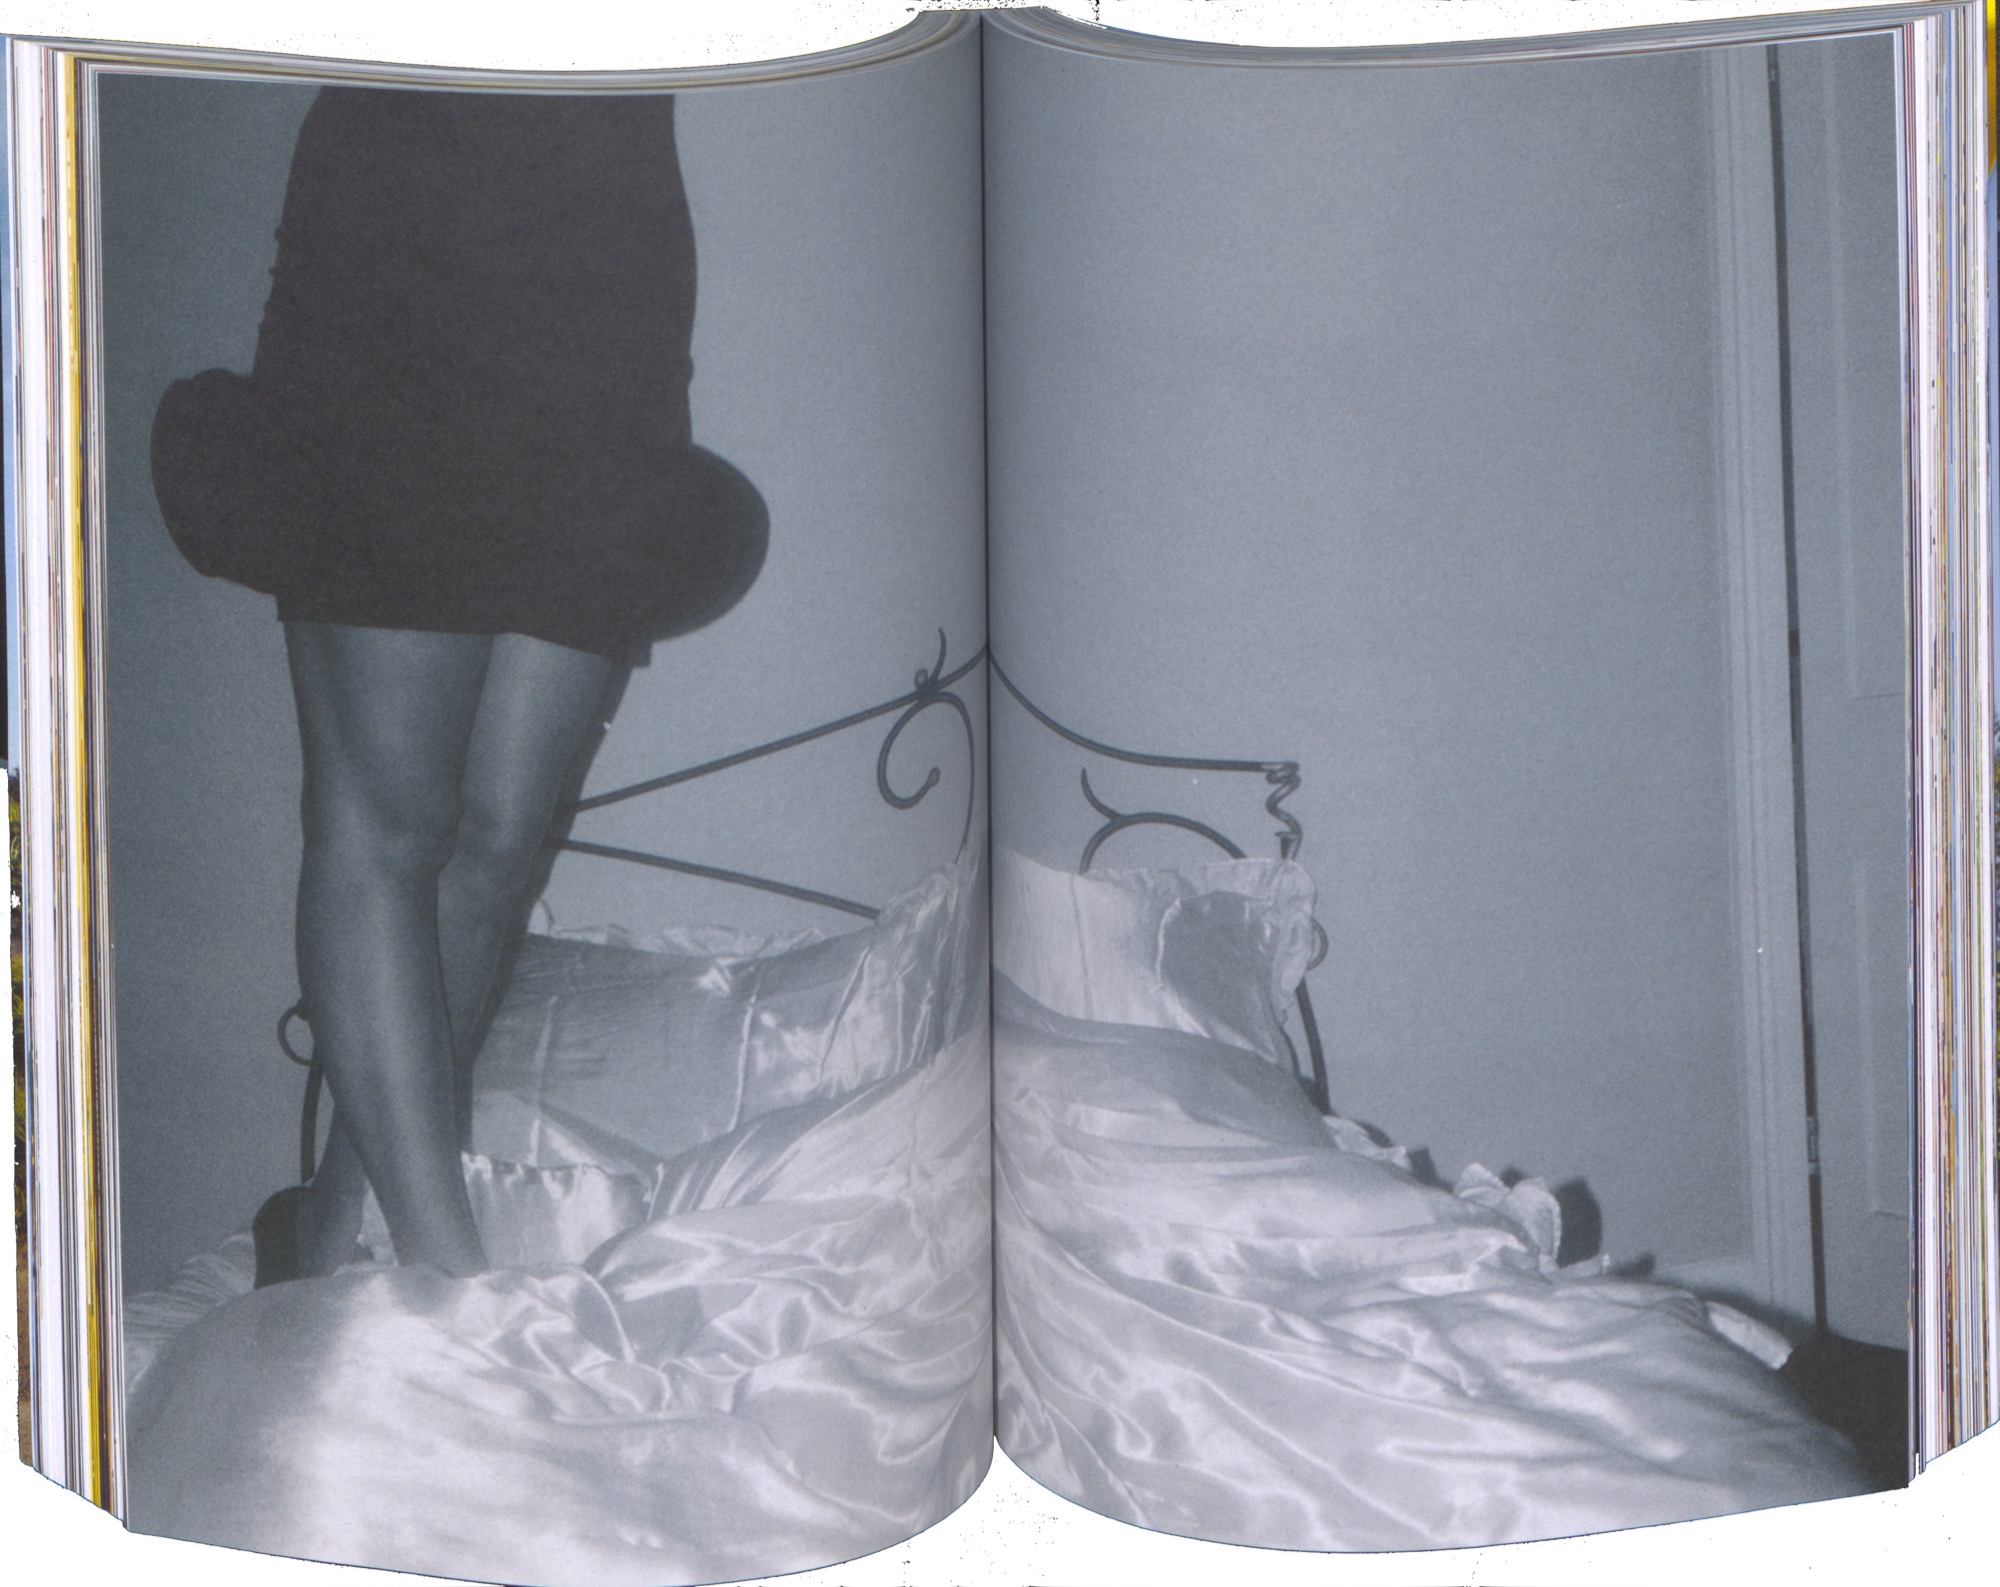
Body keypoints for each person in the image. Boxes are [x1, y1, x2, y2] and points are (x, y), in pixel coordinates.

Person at [151, 85, 765, 1281]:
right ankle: (453, 1287)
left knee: (498, 835)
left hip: (610, 264)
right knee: (390, 825)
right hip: (407, 225)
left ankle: (328, 1231)